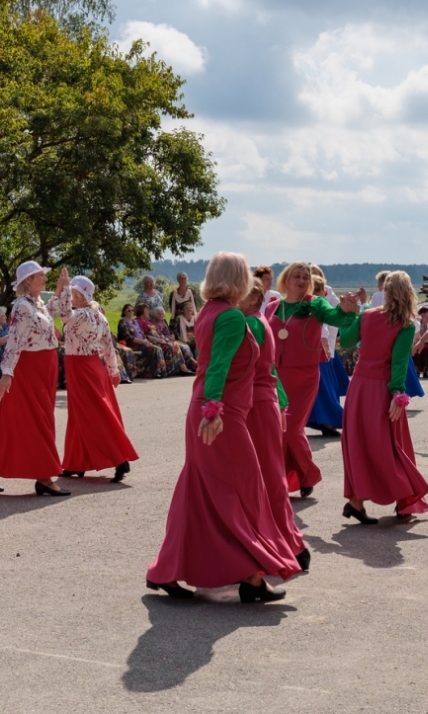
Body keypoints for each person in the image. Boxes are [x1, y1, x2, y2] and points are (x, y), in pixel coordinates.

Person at [145, 252, 299, 603]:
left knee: (200, 492)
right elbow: (217, 366)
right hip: (220, 415)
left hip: (210, 409)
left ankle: (167, 570)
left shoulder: (209, 311)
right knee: (240, 490)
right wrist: (214, 409)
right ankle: (248, 576)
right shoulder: (228, 315)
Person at [338, 271, 428, 524]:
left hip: (359, 387)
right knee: (390, 445)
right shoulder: (406, 324)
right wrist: (398, 394)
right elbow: (399, 362)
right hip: (382, 389)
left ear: (387, 291)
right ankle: (403, 500)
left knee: (361, 443)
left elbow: (345, 341)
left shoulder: (367, 316)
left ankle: (357, 501)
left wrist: (349, 314)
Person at [0, 262, 68, 496]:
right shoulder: (22, 306)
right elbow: (14, 341)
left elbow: (54, 311)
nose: (44, 278)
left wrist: (61, 288)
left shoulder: (37, 303)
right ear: (27, 281)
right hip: (30, 368)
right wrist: (6, 374)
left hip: (44, 366)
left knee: (12, 417)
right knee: (36, 420)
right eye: (39, 276)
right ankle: (44, 476)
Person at [270, 261, 363, 496]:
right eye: (296, 276)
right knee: (282, 429)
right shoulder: (272, 307)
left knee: (288, 429)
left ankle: (274, 481)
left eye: (305, 277)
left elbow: (334, 317)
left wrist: (346, 310)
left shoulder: (315, 304)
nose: (301, 281)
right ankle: (306, 475)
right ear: (286, 280)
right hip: (276, 376)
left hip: (305, 376)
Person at [239, 280, 308, 571]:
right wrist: (280, 402)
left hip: (252, 403)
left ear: (253, 297)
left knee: (261, 477)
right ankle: (291, 543)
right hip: (263, 401)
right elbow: (272, 370)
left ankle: (281, 543)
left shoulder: (251, 324)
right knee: (271, 475)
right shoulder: (259, 321)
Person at [53, 275, 137, 482]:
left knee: (94, 414)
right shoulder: (100, 316)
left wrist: (62, 289)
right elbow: (108, 346)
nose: (71, 298)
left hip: (81, 367)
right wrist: (113, 371)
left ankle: (119, 458)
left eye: (73, 294)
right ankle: (76, 462)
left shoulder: (81, 314)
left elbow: (63, 314)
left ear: (82, 296)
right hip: (93, 366)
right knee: (80, 414)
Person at [307, 267, 349, 435]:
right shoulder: (309, 300)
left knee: (325, 389)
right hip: (318, 351)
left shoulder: (325, 296)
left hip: (324, 350)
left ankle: (329, 421)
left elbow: (329, 320)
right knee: (321, 389)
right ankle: (326, 421)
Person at [169, 272, 199, 350]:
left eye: (184, 278)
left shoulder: (191, 292)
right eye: (181, 278)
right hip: (178, 320)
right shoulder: (173, 293)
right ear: (178, 280)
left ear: (187, 279)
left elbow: (194, 305)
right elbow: (172, 307)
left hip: (189, 318)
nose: (183, 280)